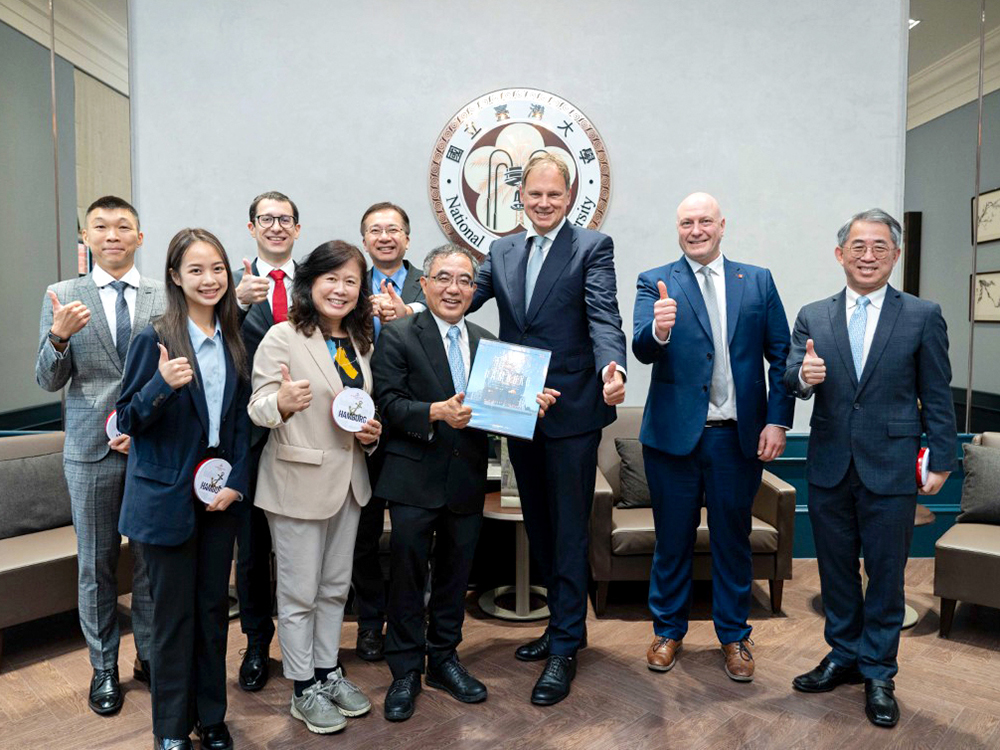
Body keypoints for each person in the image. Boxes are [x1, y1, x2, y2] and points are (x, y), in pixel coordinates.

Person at [785, 209, 957, 728]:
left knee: (885, 575)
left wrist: (944, 458)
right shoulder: (814, 315)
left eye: (879, 247)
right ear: (840, 254)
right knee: (836, 570)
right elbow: (791, 376)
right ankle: (843, 655)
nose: (868, 255)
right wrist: (803, 378)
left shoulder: (922, 315)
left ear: (895, 256)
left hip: (892, 467)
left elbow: (939, 394)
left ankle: (880, 671)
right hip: (831, 464)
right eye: (857, 246)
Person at [372, 243, 558, 720]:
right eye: (444, 278)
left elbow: (494, 414)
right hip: (413, 478)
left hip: (467, 480)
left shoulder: (486, 342)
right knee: (409, 580)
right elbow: (388, 406)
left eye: (464, 281)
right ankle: (405, 672)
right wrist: (435, 412)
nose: (454, 288)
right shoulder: (397, 335)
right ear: (426, 284)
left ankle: (444, 660)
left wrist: (526, 406)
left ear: (473, 290)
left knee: (457, 579)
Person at [468, 152, 627, 705]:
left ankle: (564, 648)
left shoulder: (591, 247)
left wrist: (614, 365)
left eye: (553, 195)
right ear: (521, 198)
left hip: (573, 409)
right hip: (517, 405)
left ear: (569, 197)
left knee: (567, 528)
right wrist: (411, 307)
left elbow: (604, 315)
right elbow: (463, 297)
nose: (542, 203)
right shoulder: (502, 249)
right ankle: (563, 627)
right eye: (534, 194)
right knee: (537, 522)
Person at [632, 192, 794, 681]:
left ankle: (734, 637)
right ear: (677, 228)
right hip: (671, 441)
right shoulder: (655, 281)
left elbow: (781, 355)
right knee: (673, 541)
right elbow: (641, 348)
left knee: (732, 541)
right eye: (686, 222)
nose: (696, 229)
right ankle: (667, 632)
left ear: (723, 225)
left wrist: (777, 420)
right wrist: (658, 332)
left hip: (736, 439)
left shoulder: (758, 281)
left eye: (705, 221)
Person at [117, 228, 251, 750]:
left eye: (217, 268)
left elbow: (242, 424)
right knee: (172, 621)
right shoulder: (154, 337)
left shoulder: (235, 337)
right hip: (165, 497)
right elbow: (126, 418)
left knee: (213, 613)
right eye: (196, 270)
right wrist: (160, 386)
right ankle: (170, 730)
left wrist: (238, 482)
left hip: (219, 496)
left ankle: (210, 717)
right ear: (175, 276)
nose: (209, 279)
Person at [35, 195, 165, 715]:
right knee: (97, 563)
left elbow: (175, 369)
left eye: (123, 226)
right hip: (90, 451)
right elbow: (48, 380)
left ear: (140, 236)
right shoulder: (63, 295)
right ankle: (104, 665)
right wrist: (58, 338)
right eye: (101, 227)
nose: (112, 234)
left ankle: (151, 656)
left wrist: (145, 423)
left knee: (154, 561)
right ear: (85, 239)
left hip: (151, 447)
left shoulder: (163, 294)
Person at [249, 241, 381, 735]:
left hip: (349, 482)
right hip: (296, 480)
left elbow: (357, 412)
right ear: (310, 283)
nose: (341, 289)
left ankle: (328, 671)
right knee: (299, 592)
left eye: (351, 281)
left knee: (332, 590)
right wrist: (280, 403)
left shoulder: (359, 341)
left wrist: (372, 436)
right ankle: (303, 686)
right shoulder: (283, 337)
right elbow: (257, 405)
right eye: (331, 278)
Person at [230, 190, 301, 691]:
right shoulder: (225, 286)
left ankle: (307, 645)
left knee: (301, 541)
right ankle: (257, 642)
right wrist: (234, 303)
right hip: (250, 433)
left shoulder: (317, 282)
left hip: (307, 429)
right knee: (252, 549)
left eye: (285, 219)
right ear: (252, 227)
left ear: (297, 229)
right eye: (266, 219)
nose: (276, 226)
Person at [352, 201, 427, 662]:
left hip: (410, 426)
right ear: (364, 240)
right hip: (356, 426)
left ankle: (408, 621)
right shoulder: (346, 282)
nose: (385, 237)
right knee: (361, 533)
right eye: (375, 230)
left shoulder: (429, 283)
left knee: (409, 535)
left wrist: (409, 316)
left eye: (393, 230)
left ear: (407, 238)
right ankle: (367, 623)